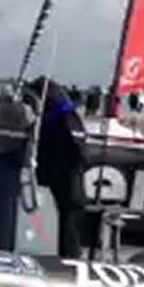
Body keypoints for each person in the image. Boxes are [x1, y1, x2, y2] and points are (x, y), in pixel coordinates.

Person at [23, 77, 87, 258]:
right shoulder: (53, 118)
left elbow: (78, 152)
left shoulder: (64, 117)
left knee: (68, 232)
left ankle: (69, 261)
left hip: (67, 186)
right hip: (52, 184)